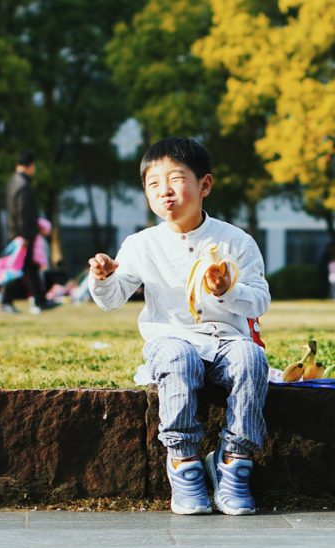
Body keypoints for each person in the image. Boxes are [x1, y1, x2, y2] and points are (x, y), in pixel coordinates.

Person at [88, 137, 270, 516]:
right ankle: (184, 462)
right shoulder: (141, 244)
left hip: (224, 339)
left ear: (205, 185)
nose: (165, 191)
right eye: (153, 184)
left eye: (176, 179)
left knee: (250, 358)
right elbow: (112, 300)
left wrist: (228, 290)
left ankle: (235, 463)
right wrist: (103, 278)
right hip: (169, 339)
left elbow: (259, 301)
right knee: (178, 357)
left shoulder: (235, 241)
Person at [1, 151, 54, 315]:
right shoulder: (24, 185)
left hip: (14, 233)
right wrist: (25, 236)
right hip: (23, 235)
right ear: (30, 165)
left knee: (27, 268)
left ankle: (40, 300)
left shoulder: (12, 183)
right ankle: (8, 301)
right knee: (19, 268)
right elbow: (24, 212)